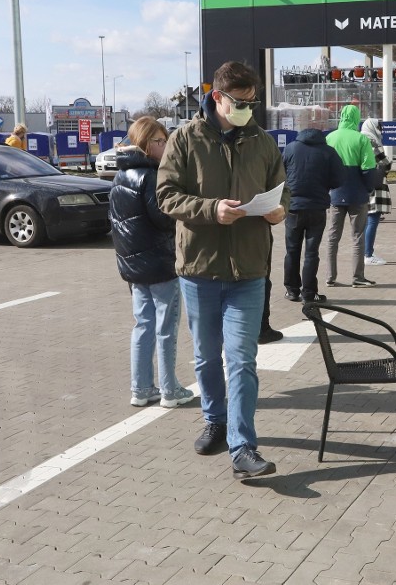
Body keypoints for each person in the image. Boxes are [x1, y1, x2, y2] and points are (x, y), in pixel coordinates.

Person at [157, 60, 289, 479]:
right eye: (242, 101)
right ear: (218, 97)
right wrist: (211, 209)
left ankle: (243, 447)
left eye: (254, 101)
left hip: (249, 269)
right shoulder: (184, 139)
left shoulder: (263, 142)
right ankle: (214, 420)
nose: (250, 108)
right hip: (199, 267)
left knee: (242, 360)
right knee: (206, 358)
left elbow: (279, 189)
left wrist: (277, 212)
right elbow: (166, 196)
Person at [109, 117, 195, 410]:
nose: (165, 145)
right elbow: (162, 218)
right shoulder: (152, 176)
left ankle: (141, 388)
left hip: (133, 264)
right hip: (159, 262)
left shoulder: (121, 174)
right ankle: (170, 389)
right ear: (145, 143)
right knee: (166, 327)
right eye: (160, 141)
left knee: (143, 325)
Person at [282, 127, 345, 304]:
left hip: (293, 207)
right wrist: (324, 185)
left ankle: (291, 290)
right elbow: (339, 179)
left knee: (291, 250)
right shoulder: (328, 152)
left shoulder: (290, 148)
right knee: (311, 252)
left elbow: (280, 174)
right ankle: (309, 293)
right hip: (317, 208)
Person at [324, 104, 379, 289]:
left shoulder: (330, 137)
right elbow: (368, 168)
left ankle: (330, 277)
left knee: (333, 236)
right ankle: (358, 278)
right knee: (358, 236)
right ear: (356, 118)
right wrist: (369, 188)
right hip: (357, 194)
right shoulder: (361, 139)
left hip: (335, 194)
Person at [360, 118, 392, 266]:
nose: (380, 130)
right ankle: (368, 254)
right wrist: (388, 162)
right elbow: (384, 162)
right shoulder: (371, 141)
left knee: (366, 220)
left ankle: (363, 252)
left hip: (363, 183)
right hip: (375, 185)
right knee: (373, 218)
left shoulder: (360, 138)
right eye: (379, 127)